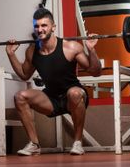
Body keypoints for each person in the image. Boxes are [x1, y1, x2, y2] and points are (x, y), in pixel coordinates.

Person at [5, 8, 102, 156]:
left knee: (74, 93)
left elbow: (95, 72)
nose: (40, 29)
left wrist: (91, 50)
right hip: (51, 98)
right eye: (37, 26)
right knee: (20, 97)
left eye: (44, 25)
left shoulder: (71, 47)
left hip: (74, 96)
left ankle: (77, 143)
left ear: (53, 27)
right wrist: (11, 54)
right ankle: (34, 144)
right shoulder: (32, 51)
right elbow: (24, 74)